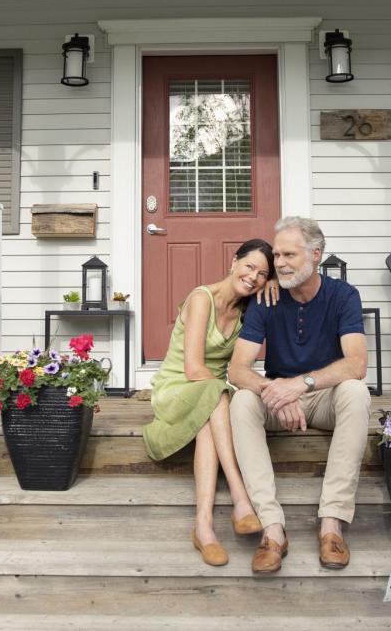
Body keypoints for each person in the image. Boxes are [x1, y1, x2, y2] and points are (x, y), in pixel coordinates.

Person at [228, 217, 370, 574]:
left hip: (323, 397)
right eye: (276, 255)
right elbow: (238, 369)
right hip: (279, 400)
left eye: (289, 254)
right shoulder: (266, 298)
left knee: (355, 391)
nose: (279, 263)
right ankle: (273, 529)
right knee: (243, 399)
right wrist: (276, 391)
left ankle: (332, 525)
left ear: (316, 254)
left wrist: (301, 384)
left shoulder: (343, 296)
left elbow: (356, 363)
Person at [142, 239, 275, 567]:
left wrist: (275, 287)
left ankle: (203, 528)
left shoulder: (249, 310)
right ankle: (240, 498)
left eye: (262, 274)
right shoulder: (202, 298)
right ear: (233, 262)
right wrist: (224, 391)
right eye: (249, 266)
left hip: (209, 397)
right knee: (217, 397)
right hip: (178, 388)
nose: (253, 277)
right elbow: (193, 368)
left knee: (209, 417)